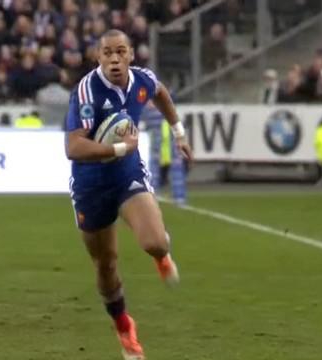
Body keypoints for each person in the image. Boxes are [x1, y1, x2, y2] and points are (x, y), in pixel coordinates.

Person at [64, 29, 192, 360]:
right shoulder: (86, 92)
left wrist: (178, 132)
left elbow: (161, 93)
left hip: (127, 175)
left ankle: (162, 256)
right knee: (105, 265)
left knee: (155, 242)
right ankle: (124, 328)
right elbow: (73, 146)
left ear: (131, 55)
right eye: (108, 53)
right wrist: (118, 147)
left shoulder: (142, 80)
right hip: (91, 186)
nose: (115, 59)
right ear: (98, 57)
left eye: (121, 52)